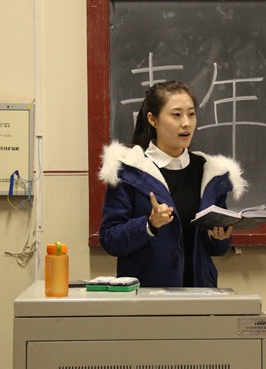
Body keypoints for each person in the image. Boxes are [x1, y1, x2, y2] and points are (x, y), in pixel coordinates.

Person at [98, 80, 247, 287]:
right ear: (153, 119)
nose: (186, 123)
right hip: (148, 294)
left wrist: (218, 237)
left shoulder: (210, 172)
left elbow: (216, 250)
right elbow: (110, 239)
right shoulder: (130, 171)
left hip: (200, 293)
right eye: (176, 115)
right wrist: (149, 224)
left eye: (191, 114)